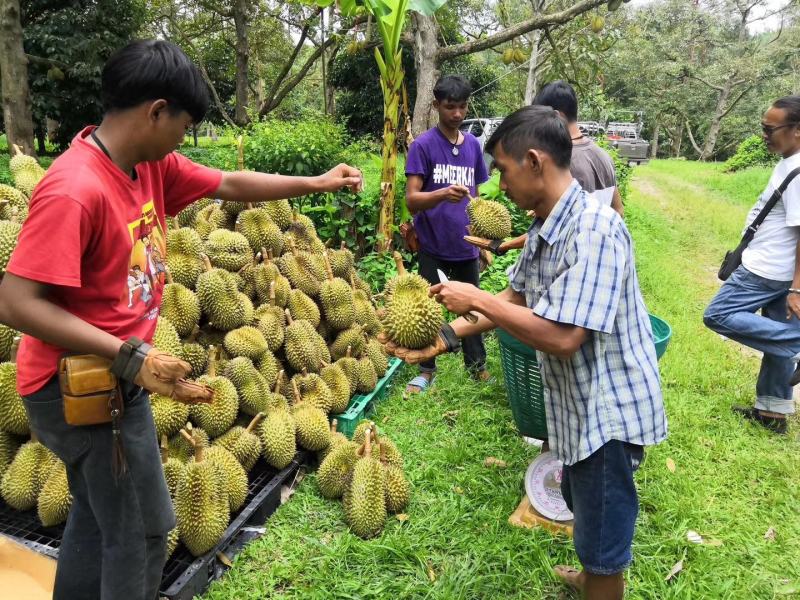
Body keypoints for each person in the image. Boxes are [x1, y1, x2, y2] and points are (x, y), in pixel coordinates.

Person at [0, 40, 361, 600]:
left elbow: (230, 184)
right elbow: (16, 303)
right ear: (156, 111)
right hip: (78, 388)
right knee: (142, 531)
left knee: (99, 523)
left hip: (122, 377)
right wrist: (129, 356)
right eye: (185, 125)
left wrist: (314, 183)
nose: (185, 140)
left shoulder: (148, 167)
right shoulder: (75, 189)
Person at [382, 105, 667, 600]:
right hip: (578, 406)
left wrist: (476, 296)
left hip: (608, 413)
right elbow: (512, 302)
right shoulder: (545, 225)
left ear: (534, 161)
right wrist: (444, 337)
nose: (500, 186)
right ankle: (590, 575)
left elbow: (562, 336)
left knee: (604, 535)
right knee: (581, 500)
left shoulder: (595, 230)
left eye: (504, 172)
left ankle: (601, 582)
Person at [703, 95, 800, 435]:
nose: (764, 135)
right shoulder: (788, 160)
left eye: (770, 129)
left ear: (797, 130)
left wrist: (797, 286)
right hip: (778, 269)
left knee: (717, 315)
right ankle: (772, 413)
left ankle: (797, 343)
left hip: (766, 269)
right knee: (776, 334)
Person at [403, 74, 490, 394]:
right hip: (432, 243)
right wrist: (440, 194)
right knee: (428, 310)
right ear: (437, 105)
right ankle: (426, 369)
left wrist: (483, 239)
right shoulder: (423, 146)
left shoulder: (474, 146)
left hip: (465, 244)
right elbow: (412, 200)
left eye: (463, 107)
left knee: (473, 307)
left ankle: (476, 366)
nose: (457, 114)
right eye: (450, 107)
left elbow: (477, 196)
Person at [467, 80, 623, 256]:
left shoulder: (559, 164)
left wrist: (506, 245)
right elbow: (618, 210)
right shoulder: (603, 156)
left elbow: (557, 226)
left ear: (555, 116)